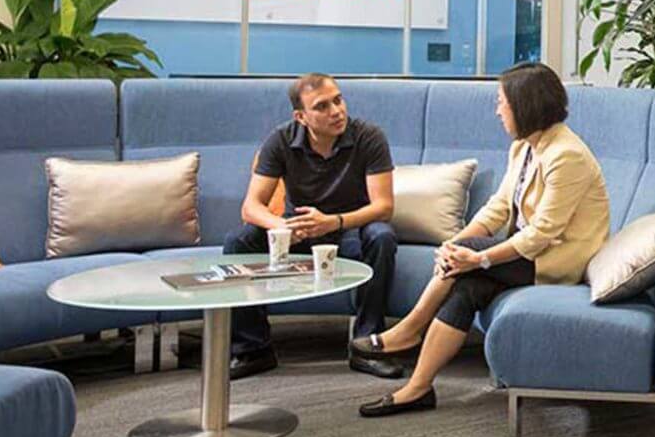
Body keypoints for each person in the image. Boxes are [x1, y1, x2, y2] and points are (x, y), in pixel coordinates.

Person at [352, 62, 610, 417]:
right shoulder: (525, 146)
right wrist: (455, 243)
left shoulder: (567, 155)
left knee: (471, 258)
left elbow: (543, 233)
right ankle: (418, 388)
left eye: (501, 102)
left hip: (557, 259)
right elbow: (498, 208)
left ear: (525, 105)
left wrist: (479, 257)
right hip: (527, 252)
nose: (497, 110)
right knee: (466, 288)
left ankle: (410, 327)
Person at [224, 73, 401, 380]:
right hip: (300, 230)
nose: (336, 111)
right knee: (239, 242)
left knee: (382, 236)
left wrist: (334, 221)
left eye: (338, 99)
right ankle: (252, 349)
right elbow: (251, 207)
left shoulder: (369, 136)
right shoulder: (280, 140)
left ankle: (366, 346)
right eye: (322, 106)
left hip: (348, 229)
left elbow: (383, 206)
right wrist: (284, 227)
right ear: (301, 116)